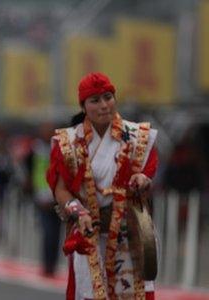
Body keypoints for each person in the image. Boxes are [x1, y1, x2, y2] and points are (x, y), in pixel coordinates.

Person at [46, 72, 158, 299]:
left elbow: (147, 175)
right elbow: (61, 189)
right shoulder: (67, 142)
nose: (104, 105)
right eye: (95, 100)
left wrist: (142, 180)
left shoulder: (137, 136)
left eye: (108, 97)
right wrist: (78, 212)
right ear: (83, 106)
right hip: (89, 232)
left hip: (128, 234)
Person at [25, 123, 61, 277]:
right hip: (41, 198)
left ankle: (53, 265)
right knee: (47, 233)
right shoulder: (34, 150)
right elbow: (28, 171)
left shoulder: (59, 149)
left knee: (56, 234)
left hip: (57, 198)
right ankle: (46, 265)